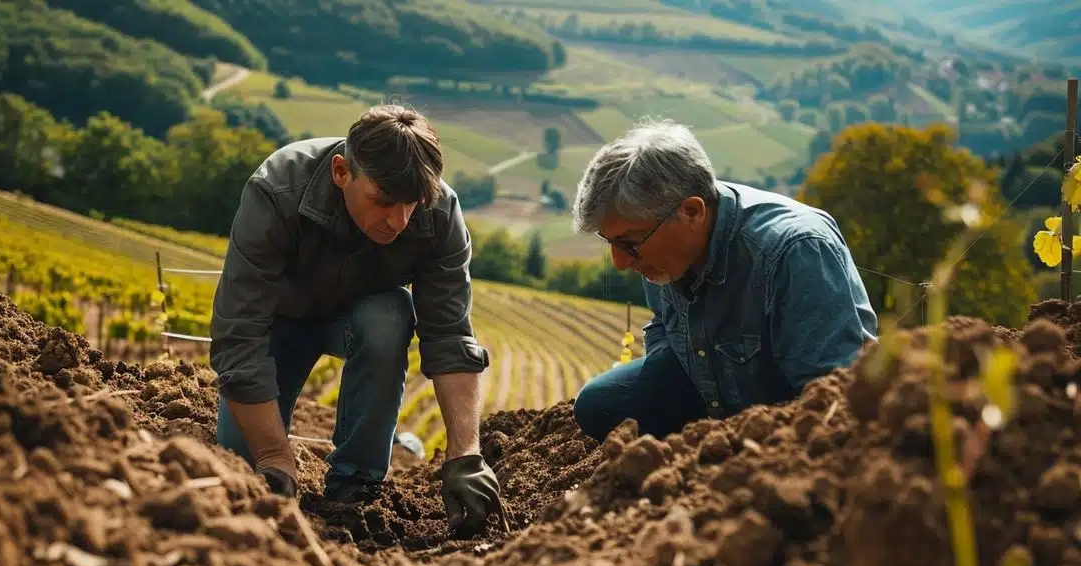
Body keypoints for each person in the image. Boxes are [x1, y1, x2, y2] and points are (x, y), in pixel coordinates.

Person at [208, 104, 503, 537]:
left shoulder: (440, 214)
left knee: (389, 314)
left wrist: (466, 454)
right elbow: (239, 335)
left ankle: (356, 486)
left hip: (362, 319)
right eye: (383, 201)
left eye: (412, 204)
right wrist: (274, 454)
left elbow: (450, 336)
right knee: (245, 467)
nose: (399, 221)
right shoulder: (277, 190)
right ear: (343, 172)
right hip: (278, 322)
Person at [569, 119, 878, 442]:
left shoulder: (795, 250)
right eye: (611, 243)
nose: (620, 263)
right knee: (600, 404)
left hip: (785, 413)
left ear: (691, 212)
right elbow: (663, 324)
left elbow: (833, 397)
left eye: (628, 244)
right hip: (715, 388)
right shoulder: (659, 245)